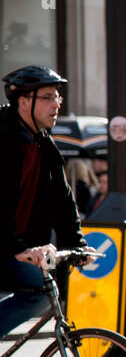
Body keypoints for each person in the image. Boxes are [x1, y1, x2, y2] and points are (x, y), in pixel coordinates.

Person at [0, 66, 84, 340]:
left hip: (15, 248)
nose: (57, 104)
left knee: (42, 292)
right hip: (8, 246)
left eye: (58, 97)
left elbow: (63, 200)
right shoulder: (3, 137)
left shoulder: (45, 145)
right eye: (48, 97)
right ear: (23, 101)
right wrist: (18, 248)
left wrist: (76, 243)